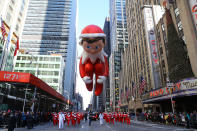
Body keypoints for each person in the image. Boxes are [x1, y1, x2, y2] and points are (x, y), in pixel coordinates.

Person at [79, 25, 109, 96]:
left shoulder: (101, 55)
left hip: (98, 66)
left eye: (96, 47)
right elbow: (81, 66)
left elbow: (106, 66)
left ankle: (99, 86)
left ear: (103, 43)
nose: (92, 51)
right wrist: (83, 76)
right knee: (88, 66)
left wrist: (104, 75)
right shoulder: (84, 55)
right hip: (88, 68)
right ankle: (89, 83)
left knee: (99, 66)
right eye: (88, 47)